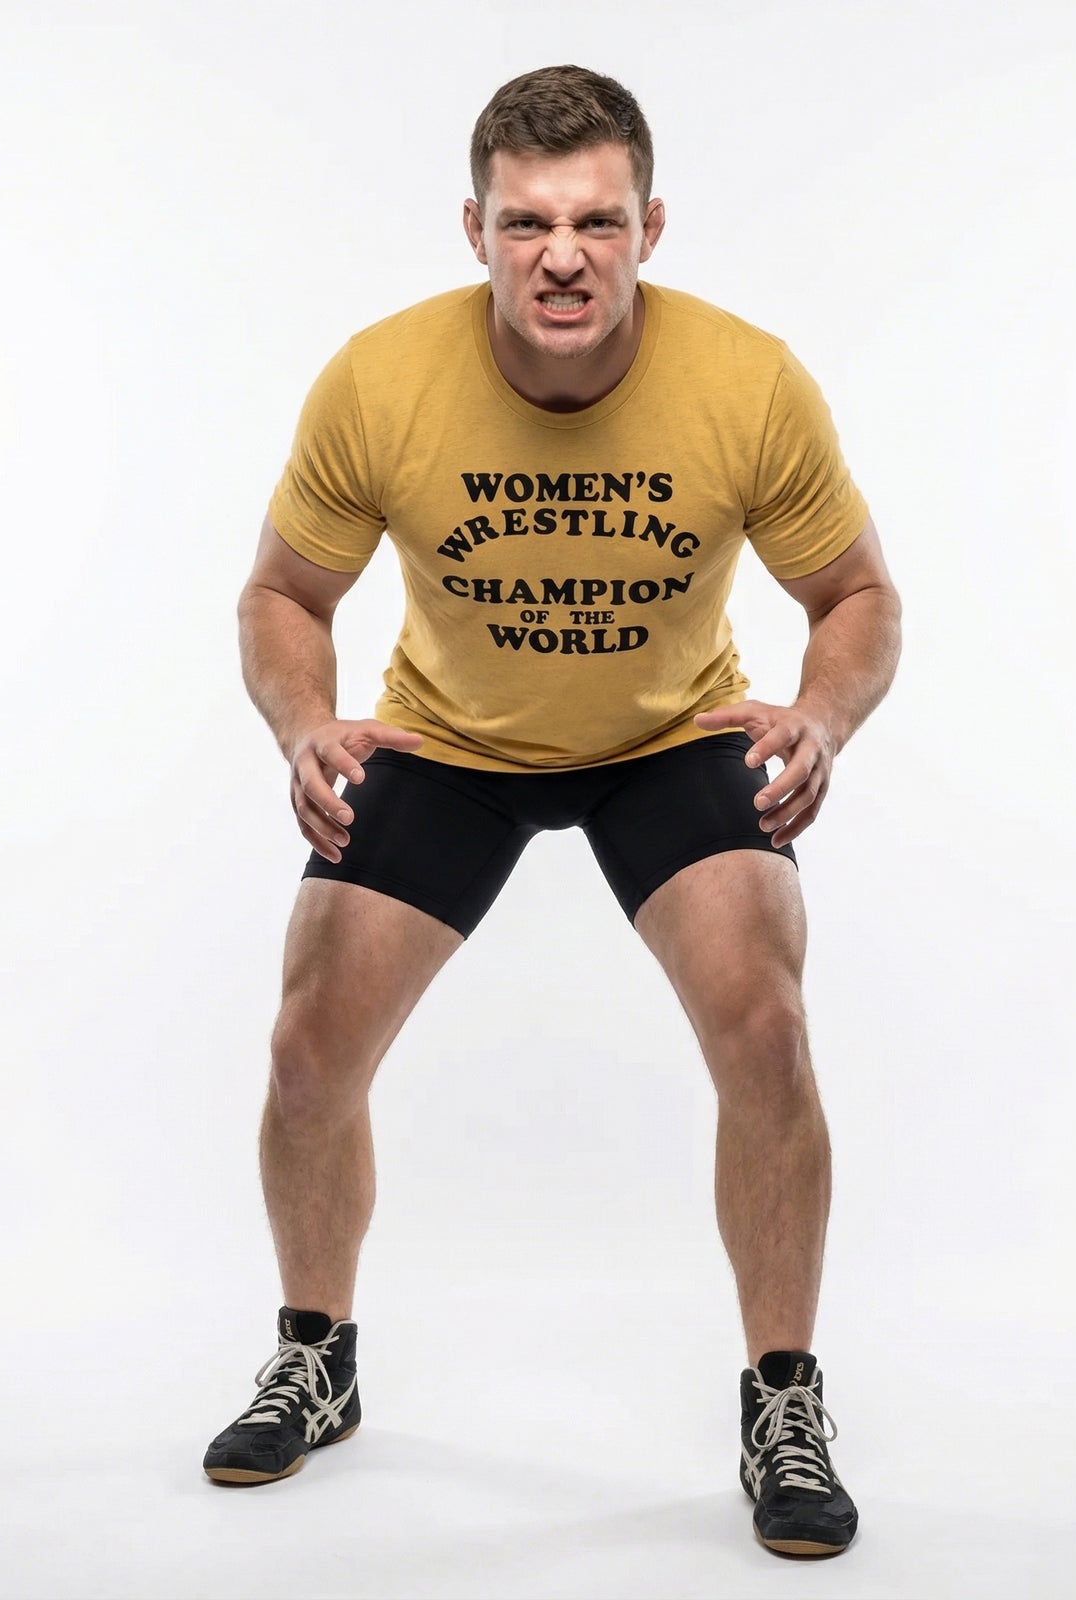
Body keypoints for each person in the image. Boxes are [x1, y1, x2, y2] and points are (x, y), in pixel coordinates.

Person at [203, 63, 901, 1561]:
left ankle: (783, 1396)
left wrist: (819, 713)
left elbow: (855, 595)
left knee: (766, 1022)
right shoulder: (382, 380)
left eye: (595, 220)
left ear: (652, 223)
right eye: (528, 223)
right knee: (307, 1042)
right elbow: (282, 591)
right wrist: (304, 717)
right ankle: (316, 1356)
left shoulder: (748, 381)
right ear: (475, 229)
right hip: (452, 739)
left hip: (669, 739)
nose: (564, 255)